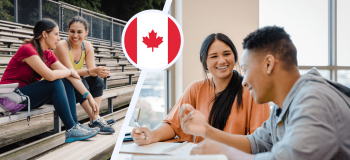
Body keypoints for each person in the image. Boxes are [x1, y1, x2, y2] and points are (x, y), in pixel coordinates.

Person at [180, 26, 350, 160]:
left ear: (268, 64)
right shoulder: (282, 107)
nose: (244, 81)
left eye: (246, 70)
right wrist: (207, 131)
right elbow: (257, 143)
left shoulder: (313, 101)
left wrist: (226, 152)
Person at [131, 33, 270, 146]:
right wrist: (151, 135)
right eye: (214, 56)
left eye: (227, 54)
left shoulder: (253, 90)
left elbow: (259, 142)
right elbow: (173, 124)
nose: (222, 61)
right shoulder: (195, 89)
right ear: (205, 62)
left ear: (235, 56)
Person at [0, 18, 100, 143]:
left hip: (25, 98)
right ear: (45, 34)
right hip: (8, 98)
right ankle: (71, 128)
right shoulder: (28, 49)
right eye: (56, 34)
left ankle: (74, 125)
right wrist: (70, 71)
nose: (59, 38)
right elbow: (50, 76)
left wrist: (89, 97)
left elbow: (71, 77)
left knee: (65, 80)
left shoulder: (48, 54)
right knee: (56, 81)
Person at [54, 16, 115, 134]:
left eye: (79, 32)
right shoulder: (62, 45)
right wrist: (91, 71)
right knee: (80, 80)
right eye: (72, 31)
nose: (75, 35)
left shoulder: (87, 46)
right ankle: (96, 118)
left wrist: (100, 71)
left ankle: (93, 119)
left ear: (86, 33)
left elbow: (92, 71)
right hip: (62, 84)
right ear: (68, 31)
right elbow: (69, 72)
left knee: (97, 80)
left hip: (75, 81)